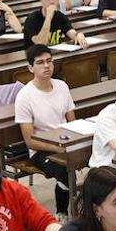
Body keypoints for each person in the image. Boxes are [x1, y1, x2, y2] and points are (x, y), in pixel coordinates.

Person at [15, 44, 76, 215]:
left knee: (99, 160)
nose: (46, 66)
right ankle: (62, 214)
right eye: (40, 62)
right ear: (30, 68)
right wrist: (57, 148)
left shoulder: (62, 86)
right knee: (65, 171)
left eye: (49, 61)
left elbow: (72, 121)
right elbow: (30, 141)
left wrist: (74, 143)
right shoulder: (25, 96)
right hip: (42, 150)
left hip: (66, 142)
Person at [23, 0, 89, 49]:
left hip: (54, 54)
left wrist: (78, 35)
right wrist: (48, 17)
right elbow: (40, 44)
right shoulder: (32, 19)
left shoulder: (60, 17)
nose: (52, 1)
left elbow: (71, 32)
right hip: (35, 56)